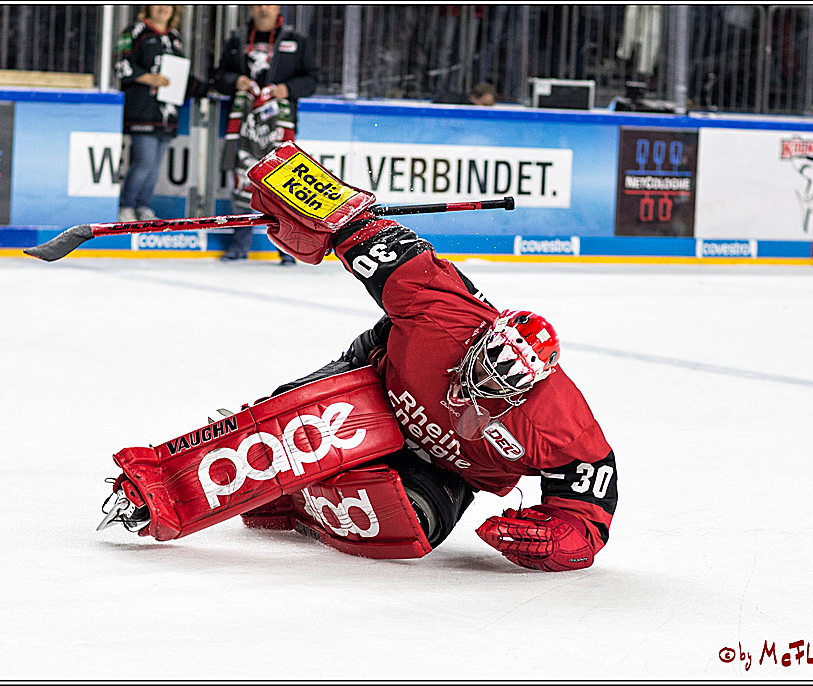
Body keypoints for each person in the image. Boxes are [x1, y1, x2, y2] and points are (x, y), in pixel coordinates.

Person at [101, 144, 618, 572]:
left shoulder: (559, 421)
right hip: (379, 380)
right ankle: (166, 481)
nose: (477, 383)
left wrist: (569, 532)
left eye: (497, 384)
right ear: (484, 337)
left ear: (527, 391)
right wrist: (328, 209)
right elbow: (381, 242)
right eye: (482, 362)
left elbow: (589, 499)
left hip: (450, 470)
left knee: (409, 524)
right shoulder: (449, 315)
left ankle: (297, 500)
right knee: (288, 427)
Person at [212, 5, 319, 265]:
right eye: (259, 3)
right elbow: (218, 76)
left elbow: (312, 80)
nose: (264, 8)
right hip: (243, 123)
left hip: (280, 124)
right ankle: (239, 245)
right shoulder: (236, 38)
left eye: (269, 3)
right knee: (242, 178)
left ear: (278, 8)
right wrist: (235, 81)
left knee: (283, 184)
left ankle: (288, 249)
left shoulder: (296, 40)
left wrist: (288, 88)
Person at [115, 5, 209, 222]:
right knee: (144, 161)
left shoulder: (174, 37)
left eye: (168, 4)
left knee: (155, 164)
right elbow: (120, 64)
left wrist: (206, 86)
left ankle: (143, 205)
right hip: (142, 110)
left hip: (167, 112)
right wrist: (150, 78)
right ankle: (126, 205)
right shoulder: (135, 31)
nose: (163, 8)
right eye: (158, 3)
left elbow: (180, 73)